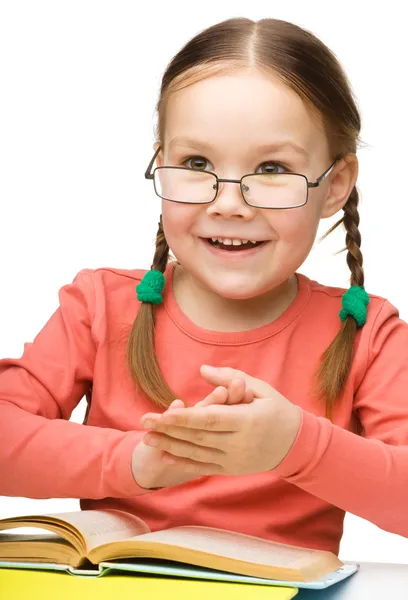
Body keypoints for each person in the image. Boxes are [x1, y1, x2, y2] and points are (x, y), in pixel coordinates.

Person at [1, 16, 407, 557]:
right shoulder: (98, 305)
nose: (229, 203)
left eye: (271, 167)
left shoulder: (367, 334)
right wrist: (137, 461)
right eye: (196, 163)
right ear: (160, 163)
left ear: (334, 185)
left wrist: (296, 445)